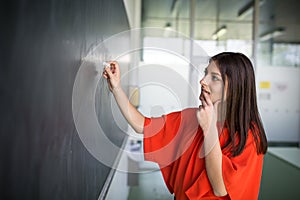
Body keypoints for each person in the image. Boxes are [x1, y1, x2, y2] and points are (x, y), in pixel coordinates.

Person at [102, 52, 268, 200]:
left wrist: (209, 128)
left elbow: (220, 188)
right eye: (205, 74)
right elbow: (142, 125)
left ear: (234, 88)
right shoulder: (191, 117)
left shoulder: (250, 136)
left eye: (214, 77)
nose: (202, 81)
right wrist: (116, 88)